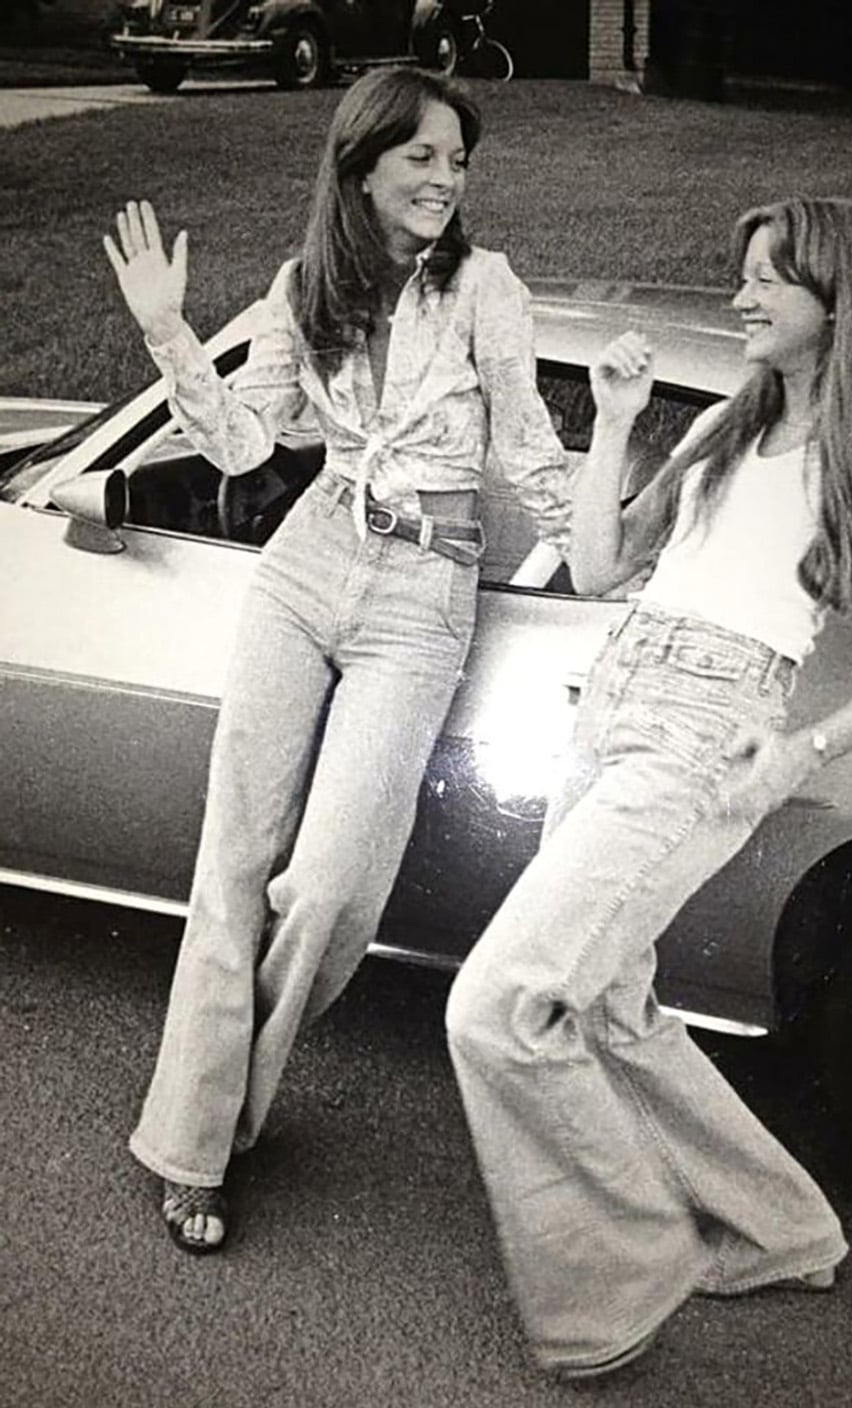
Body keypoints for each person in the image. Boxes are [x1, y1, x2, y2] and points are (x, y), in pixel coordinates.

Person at [445, 196, 852, 1379]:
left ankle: (624, 1262)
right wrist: (615, 422)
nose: (741, 295)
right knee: (607, 999)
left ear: (835, 297)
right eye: (743, 274)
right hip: (614, 696)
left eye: (768, 278)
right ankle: (785, 1228)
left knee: (499, 1005)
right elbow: (596, 566)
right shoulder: (733, 421)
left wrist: (805, 748)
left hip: (708, 726)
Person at [103, 66, 569, 1254]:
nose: (445, 178)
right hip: (306, 566)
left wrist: (613, 547)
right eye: (422, 156)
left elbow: (527, 448)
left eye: (457, 160)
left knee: (327, 886)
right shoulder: (303, 285)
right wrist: (166, 329)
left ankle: (224, 1103)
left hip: (421, 595)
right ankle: (197, 1144)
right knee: (233, 858)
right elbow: (245, 443)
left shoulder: (486, 288)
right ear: (361, 165)